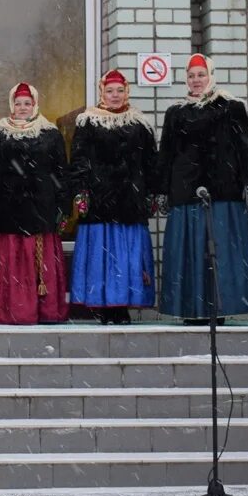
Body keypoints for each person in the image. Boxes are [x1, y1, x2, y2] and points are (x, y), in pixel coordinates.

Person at [157, 53, 248, 323]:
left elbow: (245, 149)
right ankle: (191, 309)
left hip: (224, 193)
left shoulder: (231, 107)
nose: (196, 80)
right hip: (185, 193)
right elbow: (166, 154)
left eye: (201, 75)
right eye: (191, 76)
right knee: (190, 255)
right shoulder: (176, 113)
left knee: (220, 253)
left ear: (211, 76)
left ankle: (219, 309)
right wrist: (162, 190)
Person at [69, 69, 160, 325]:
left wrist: (152, 192)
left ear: (127, 92)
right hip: (99, 199)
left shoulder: (140, 123)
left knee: (127, 257)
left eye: (120, 90)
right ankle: (104, 306)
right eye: (110, 91)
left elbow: (151, 161)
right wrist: (80, 191)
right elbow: (79, 159)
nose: (115, 95)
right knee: (103, 256)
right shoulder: (88, 121)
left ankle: (123, 306)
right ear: (102, 93)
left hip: (130, 200)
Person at [0, 82, 70, 325]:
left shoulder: (50, 134)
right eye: (18, 103)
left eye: (27, 103)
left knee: (38, 263)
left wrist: (64, 206)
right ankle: (9, 310)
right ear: (11, 105)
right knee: (12, 262)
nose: (22, 108)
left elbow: (61, 173)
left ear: (35, 105)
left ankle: (43, 311)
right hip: (6, 208)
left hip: (41, 208)